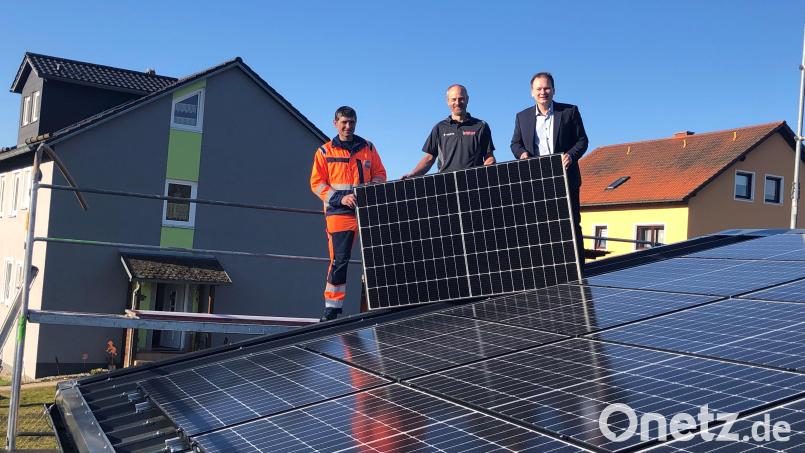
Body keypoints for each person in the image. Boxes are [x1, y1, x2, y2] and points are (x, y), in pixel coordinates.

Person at [310, 106, 387, 321]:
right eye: (344, 122)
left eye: (351, 122)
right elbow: (317, 184)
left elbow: (380, 174)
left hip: (367, 211)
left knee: (377, 256)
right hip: (339, 213)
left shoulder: (368, 147)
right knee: (339, 260)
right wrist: (340, 198)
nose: (348, 126)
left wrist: (370, 187)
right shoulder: (325, 151)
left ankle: (385, 303)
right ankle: (332, 309)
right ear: (335, 123)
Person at [511, 72, 588, 268]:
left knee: (570, 223)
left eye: (546, 88)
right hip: (537, 180)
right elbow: (515, 144)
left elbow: (582, 141)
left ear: (553, 90)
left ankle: (578, 269)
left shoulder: (569, 111)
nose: (543, 92)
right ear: (532, 92)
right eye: (539, 89)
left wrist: (570, 155)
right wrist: (522, 155)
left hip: (566, 177)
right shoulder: (522, 117)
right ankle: (546, 269)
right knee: (540, 226)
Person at [403, 84, 495, 178]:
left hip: (473, 182)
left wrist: (485, 170)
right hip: (445, 183)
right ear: (448, 101)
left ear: (467, 99)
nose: (457, 102)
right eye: (453, 99)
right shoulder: (439, 128)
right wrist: (413, 174)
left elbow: (489, 156)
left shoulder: (481, 126)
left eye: (461, 99)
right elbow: (429, 158)